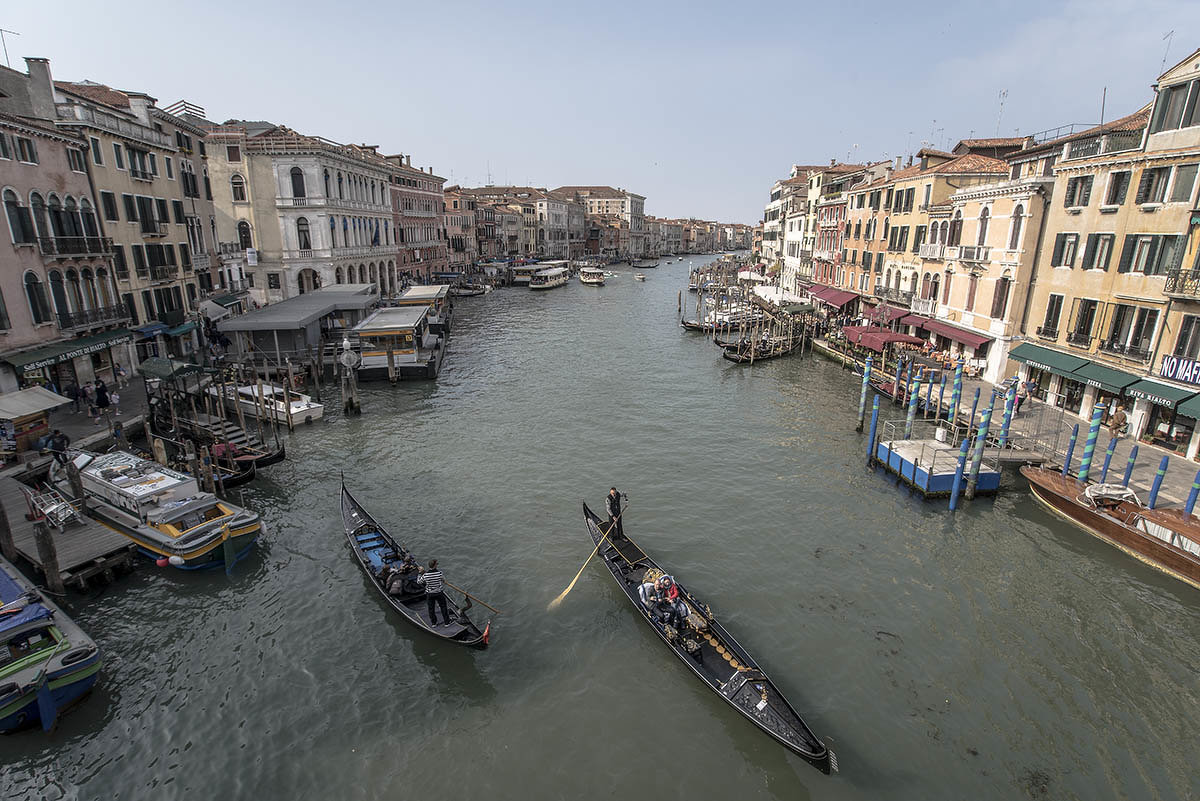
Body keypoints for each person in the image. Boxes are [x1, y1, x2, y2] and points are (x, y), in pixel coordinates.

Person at [418, 559, 451, 626]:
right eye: (437, 564)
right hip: (439, 593)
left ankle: (434, 623)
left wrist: (419, 573)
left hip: (430, 594)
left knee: (431, 608)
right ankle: (447, 623)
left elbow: (419, 582)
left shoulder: (425, 575)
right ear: (435, 565)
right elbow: (444, 581)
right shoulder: (439, 573)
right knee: (443, 607)